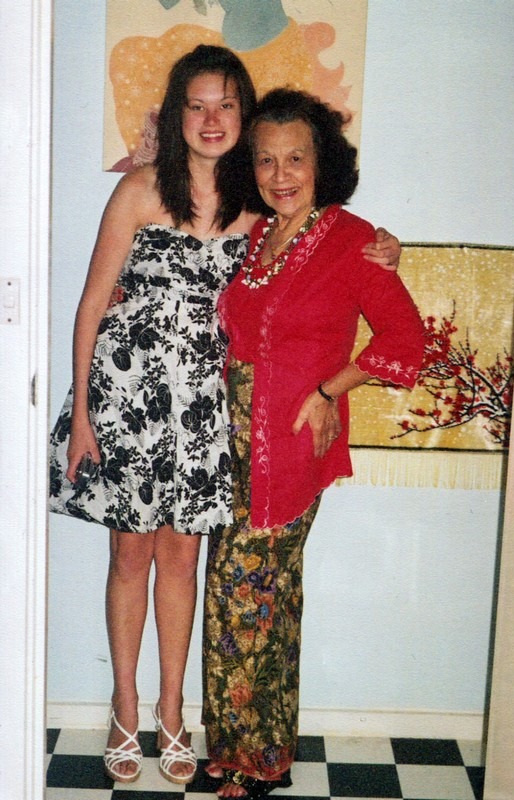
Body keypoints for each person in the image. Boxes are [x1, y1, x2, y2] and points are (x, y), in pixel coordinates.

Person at [48, 45, 402, 786]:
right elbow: (91, 303)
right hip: (128, 403)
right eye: (197, 105)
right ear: (178, 114)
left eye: (226, 105)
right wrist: (81, 411)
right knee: (129, 559)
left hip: (204, 413)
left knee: (183, 562)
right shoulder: (140, 190)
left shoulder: (258, 211)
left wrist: (387, 246)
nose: (212, 120)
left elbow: (322, 247)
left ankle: (173, 713)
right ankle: (124, 707)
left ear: (243, 114)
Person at [202, 88, 425, 799]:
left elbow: (407, 341)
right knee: (261, 594)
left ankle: (253, 759)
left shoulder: (353, 240)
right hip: (234, 445)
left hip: (291, 443)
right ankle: (250, 749)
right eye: (266, 160)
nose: (280, 174)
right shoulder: (257, 237)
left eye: (295, 158)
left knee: (243, 592)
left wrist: (330, 391)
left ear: (321, 161)